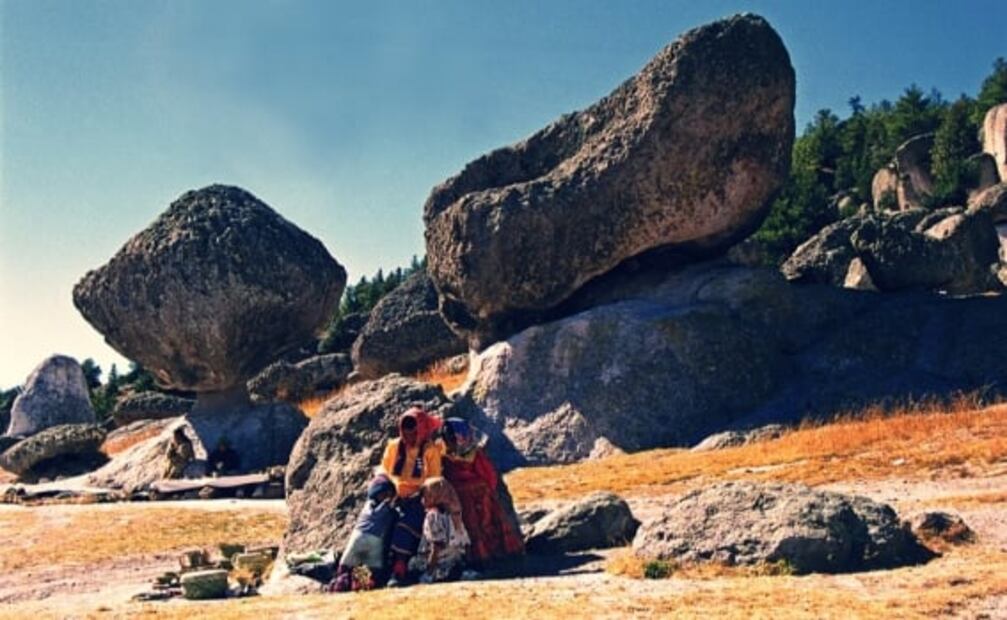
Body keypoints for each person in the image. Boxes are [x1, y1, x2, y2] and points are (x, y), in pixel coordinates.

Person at [441, 418, 524, 566]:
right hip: (467, 500)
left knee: (482, 528)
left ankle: (486, 556)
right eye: (448, 439)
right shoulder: (450, 457)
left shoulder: (471, 455)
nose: (450, 442)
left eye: (452, 438)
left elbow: (489, 477)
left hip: (476, 499)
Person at [379, 406, 444, 585]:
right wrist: (389, 489)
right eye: (405, 433)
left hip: (421, 498)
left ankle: (399, 569)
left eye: (413, 432)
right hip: (394, 495)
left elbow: (434, 481)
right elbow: (384, 471)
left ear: (421, 430)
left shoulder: (430, 451)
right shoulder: (394, 446)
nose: (408, 437)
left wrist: (415, 492)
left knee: (406, 522)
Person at [331, 474, 397, 592]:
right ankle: (359, 585)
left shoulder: (367, 506)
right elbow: (389, 511)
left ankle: (340, 584)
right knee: (368, 567)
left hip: (357, 538)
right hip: (375, 541)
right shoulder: (387, 507)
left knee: (347, 566)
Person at [408, 477, 470, 584]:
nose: (422, 500)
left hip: (438, 564)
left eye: (425, 496)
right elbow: (465, 543)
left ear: (434, 496)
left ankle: (433, 574)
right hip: (453, 562)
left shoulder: (432, 516)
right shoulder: (455, 513)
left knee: (411, 564)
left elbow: (436, 545)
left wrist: (429, 572)